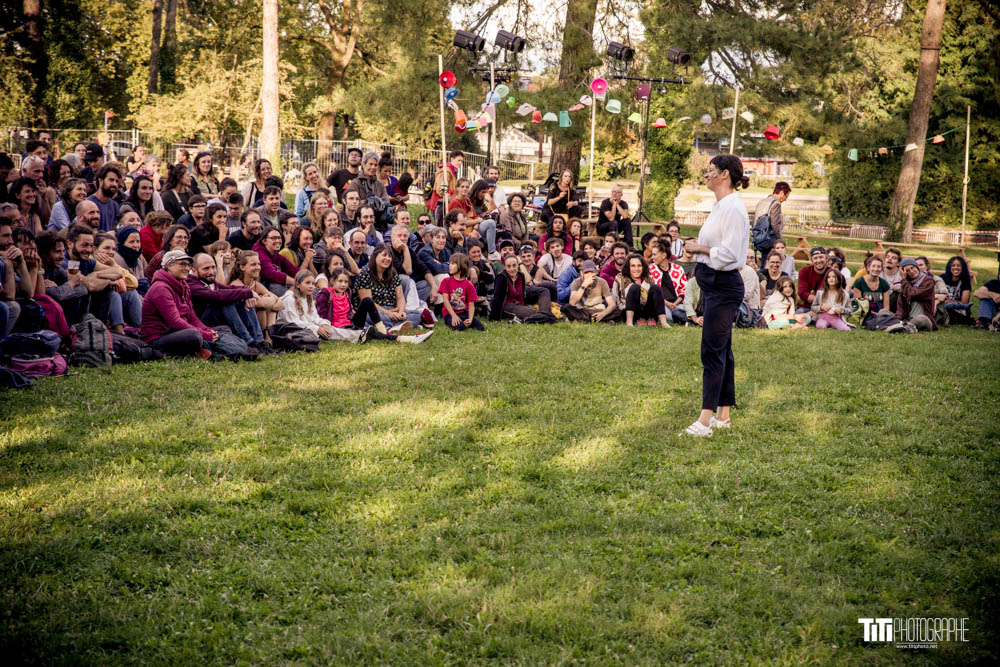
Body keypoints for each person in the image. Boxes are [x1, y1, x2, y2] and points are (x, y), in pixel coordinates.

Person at [683, 154, 750, 437]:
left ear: (724, 175)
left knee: (711, 351)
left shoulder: (733, 208)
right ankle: (723, 415)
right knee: (722, 351)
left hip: (724, 285)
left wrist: (699, 249)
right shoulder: (720, 206)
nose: (706, 175)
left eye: (710, 171)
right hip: (712, 283)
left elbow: (731, 255)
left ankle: (704, 420)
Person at [316, 267, 432, 344]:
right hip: (337, 327)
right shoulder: (326, 294)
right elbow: (321, 316)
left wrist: (355, 314)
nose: (343, 284)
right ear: (332, 281)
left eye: (345, 282)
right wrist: (324, 328)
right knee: (373, 332)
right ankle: (409, 339)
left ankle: (384, 330)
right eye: (340, 281)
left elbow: (348, 311)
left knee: (367, 300)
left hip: (350, 323)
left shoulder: (347, 292)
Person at [140, 249, 216, 359]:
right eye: (183, 264)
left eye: (189, 265)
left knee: (224, 329)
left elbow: (192, 317)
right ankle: (198, 352)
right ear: (169, 265)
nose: (187, 268)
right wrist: (203, 334)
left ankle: (203, 350)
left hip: (176, 333)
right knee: (194, 336)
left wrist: (206, 330)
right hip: (157, 339)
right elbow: (174, 322)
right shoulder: (160, 288)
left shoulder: (183, 285)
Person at [355, 243, 429, 330]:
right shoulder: (365, 274)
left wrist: (401, 312)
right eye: (384, 255)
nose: (387, 259)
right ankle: (397, 325)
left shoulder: (392, 274)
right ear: (375, 256)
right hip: (373, 310)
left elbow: (400, 298)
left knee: (417, 314)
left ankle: (391, 326)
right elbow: (368, 303)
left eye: (390, 256)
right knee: (370, 316)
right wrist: (389, 313)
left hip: (392, 309)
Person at [229, 250, 284, 345]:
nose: (258, 267)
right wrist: (269, 299)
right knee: (263, 308)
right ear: (242, 267)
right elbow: (261, 304)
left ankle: (269, 337)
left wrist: (266, 299)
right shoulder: (237, 284)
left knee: (271, 308)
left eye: (259, 264)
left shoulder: (255, 284)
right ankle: (267, 338)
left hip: (259, 327)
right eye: (253, 264)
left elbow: (281, 304)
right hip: (243, 329)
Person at [488, 254, 556, 323]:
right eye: (508, 266)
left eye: (514, 265)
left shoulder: (521, 276)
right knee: (543, 315)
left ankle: (544, 314)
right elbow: (497, 299)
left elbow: (522, 295)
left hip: (519, 304)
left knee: (544, 290)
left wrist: (525, 307)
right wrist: (494, 318)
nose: (512, 269)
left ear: (518, 265)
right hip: (508, 306)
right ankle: (526, 320)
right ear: (505, 267)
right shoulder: (501, 278)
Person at [614, 253, 669, 328]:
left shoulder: (649, 278)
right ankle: (629, 323)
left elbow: (656, 297)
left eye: (639, 265)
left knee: (656, 288)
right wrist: (621, 307)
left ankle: (663, 322)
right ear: (628, 267)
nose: (636, 269)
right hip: (629, 310)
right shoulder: (620, 278)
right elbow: (615, 297)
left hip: (647, 310)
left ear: (643, 267)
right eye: (633, 266)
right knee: (635, 287)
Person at [439, 253, 484, 331]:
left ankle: (464, 324)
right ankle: (462, 325)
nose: (449, 266)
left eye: (453, 264)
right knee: (458, 327)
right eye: (449, 263)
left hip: (464, 313)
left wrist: (470, 319)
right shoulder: (446, 281)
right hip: (449, 313)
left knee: (480, 327)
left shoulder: (469, 285)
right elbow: (445, 301)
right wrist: (453, 316)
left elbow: (471, 305)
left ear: (461, 266)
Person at [648, 238, 687, 324]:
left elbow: (684, 290)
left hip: (678, 304)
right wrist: (668, 303)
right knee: (669, 317)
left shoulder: (678, 269)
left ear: (663, 255)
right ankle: (685, 320)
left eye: (654, 254)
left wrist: (675, 304)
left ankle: (684, 318)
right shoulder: (650, 269)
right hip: (661, 304)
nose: (652, 257)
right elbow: (650, 290)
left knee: (680, 312)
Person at [252, 226, 298, 296]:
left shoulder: (275, 254)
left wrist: (304, 279)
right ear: (264, 241)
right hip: (259, 289)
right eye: (273, 238)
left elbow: (294, 270)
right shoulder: (259, 254)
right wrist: (296, 282)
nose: (277, 241)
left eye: (279, 238)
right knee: (278, 286)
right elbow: (270, 274)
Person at [895, 257, 937, 330]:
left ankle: (903, 327)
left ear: (917, 267)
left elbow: (912, 294)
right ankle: (901, 326)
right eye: (907, 270)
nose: (911, 271)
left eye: (912, 267)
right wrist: (897, 320)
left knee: (921, 319)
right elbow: (900, 307)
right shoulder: (906, 285)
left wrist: (904, 279)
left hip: (924, 319)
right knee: (884, 312)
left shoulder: (928, 281)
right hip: (908, 319)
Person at [752, 181, 790, 261]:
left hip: (759, 238)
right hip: (769, 239)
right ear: (782, 193)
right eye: (786, 196)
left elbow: (754, 220)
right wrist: (779, 241)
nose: (785, 199)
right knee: (770, 262)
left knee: (764, 261)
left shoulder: (762, 201)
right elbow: (775, 225)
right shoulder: (776, 204)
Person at [114, 226, 148, 293]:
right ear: (122, 243)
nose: (136, 245)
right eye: (131, 242)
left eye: (138, 241)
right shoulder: (116, 259)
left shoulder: (138, 260)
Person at [428, 150, 463, 216]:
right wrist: (453, 198)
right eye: (459, 160)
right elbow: (441, 190)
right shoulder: (446, 172)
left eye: (461, 161)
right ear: (452, 159)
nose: (460, 163)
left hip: (445, 204)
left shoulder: (452, 171)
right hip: (440, 206)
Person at [940, 256, 973, 324]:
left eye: (959, 265)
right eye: (953, 265)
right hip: (942, 305)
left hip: (957, 308)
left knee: (950, 307)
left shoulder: (965, 280)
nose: (956, 267)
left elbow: (964, 302)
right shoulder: (942, 278)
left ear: (962, 268)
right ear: (949, 267)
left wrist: (950, 301)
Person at [796, 246, 829, 312]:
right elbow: (802, 293)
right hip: (807, 307)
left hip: (825, 308)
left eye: (821, 257)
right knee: (799, 313)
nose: (818, 261)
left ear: (826, 258)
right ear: (811, 260)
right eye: (815, 258)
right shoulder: (804, 271)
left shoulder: (832, 273)